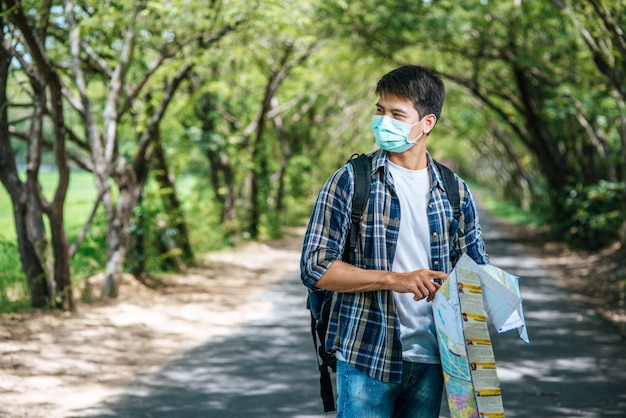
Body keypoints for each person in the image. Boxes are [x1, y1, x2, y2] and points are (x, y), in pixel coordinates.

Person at [300, 64, 489, 418]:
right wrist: (395, 280)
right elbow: (315, 267)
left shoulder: (454, 191)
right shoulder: (350, 181)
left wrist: (477, 289)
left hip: (433, 359)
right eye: (379, 110)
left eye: (397, 114)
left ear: (426, 123)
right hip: (365, 355)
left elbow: (475, 272)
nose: (383, 121)